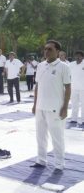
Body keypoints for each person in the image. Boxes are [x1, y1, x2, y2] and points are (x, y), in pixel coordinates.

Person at [32, 40, 71, 171]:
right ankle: (41, 160)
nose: (46, 51)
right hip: (40, 107)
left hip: (55, 108)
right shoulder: (41, 65)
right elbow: (37, 86)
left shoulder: (64, 67)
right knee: (40, 135)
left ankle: (59, 163)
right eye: (45, 49)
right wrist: (34, 104)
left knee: (57, 137)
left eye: (50, 49)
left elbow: (68, 88)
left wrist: (65, 107)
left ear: (57, 51)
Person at [69, 50, 84, 126]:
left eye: (79, 56)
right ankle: (74, 119)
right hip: (74, 87)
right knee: (74, 104)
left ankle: (83, 120)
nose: (77, 57)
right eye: (76, 55)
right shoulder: (71, 64)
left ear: (82, 56)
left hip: (83, 88)